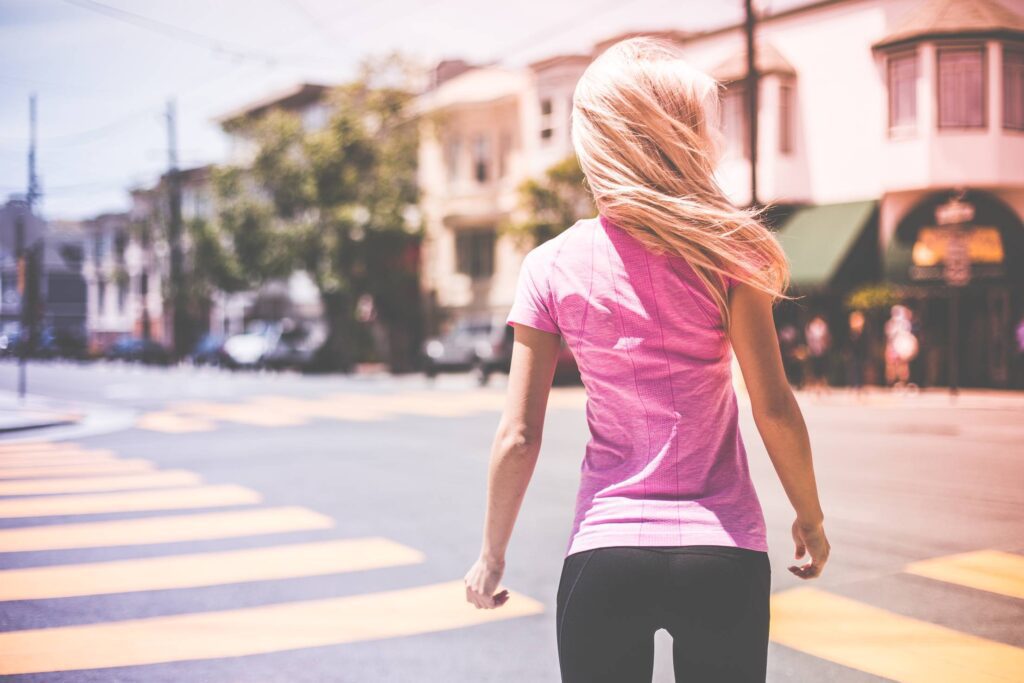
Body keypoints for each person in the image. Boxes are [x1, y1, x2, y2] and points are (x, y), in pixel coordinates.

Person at [463, 37, 829, 683]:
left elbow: (519, 435)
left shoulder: (549, 266)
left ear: (595, 141)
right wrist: (810, 514)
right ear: (688, 133)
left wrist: (492, 555)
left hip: (606, 554)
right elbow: (773, 404)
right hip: (723, 551)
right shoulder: (730, 252)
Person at [804, 315, 832, 393]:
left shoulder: (823, 326)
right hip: (814, 351)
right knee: (815, 370)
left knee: (822, 369)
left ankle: (822, 386)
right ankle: (816, 386)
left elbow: (826, 338)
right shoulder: (811, 327)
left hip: (822, 350)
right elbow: (809, 339)